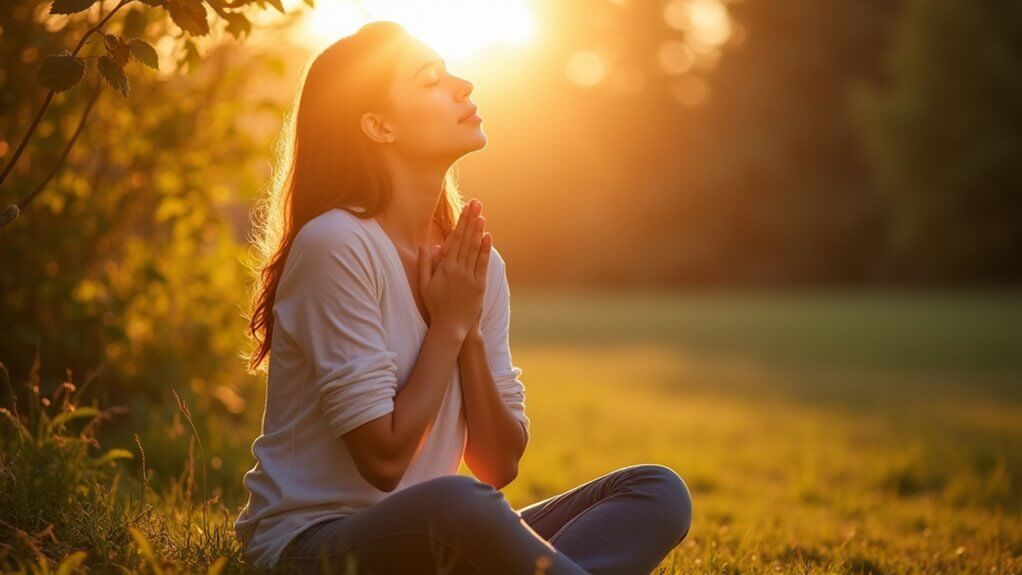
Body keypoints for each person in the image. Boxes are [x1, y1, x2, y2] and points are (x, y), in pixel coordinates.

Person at [237, 20, 693, 575]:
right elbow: (383, 459)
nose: (464, 86)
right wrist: (448, 327)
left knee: (654, 490)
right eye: (430, 80)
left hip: (440, 535)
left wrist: (468, 331)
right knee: (460, 505)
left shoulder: (473, 263)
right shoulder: (336, 244)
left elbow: (498, 463)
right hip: (313, 547)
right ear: (379, 125)